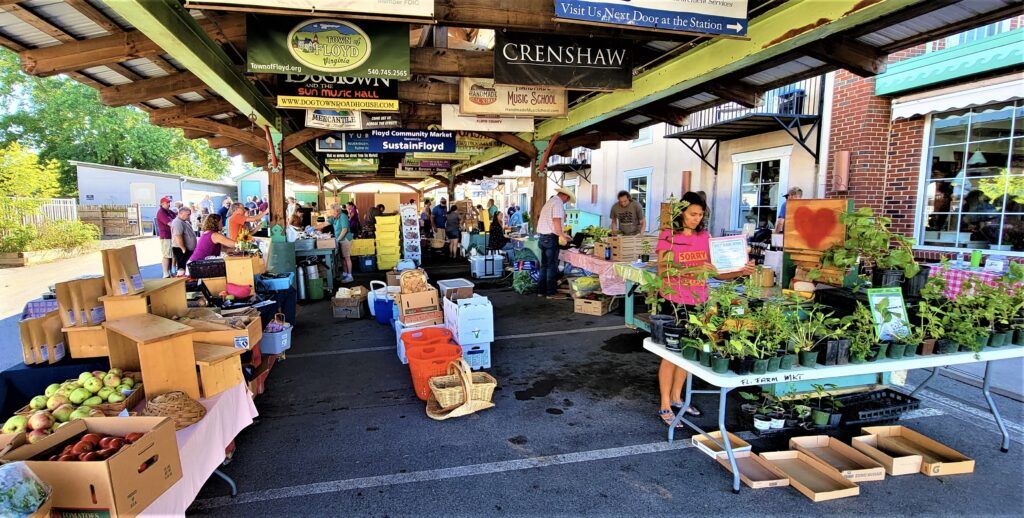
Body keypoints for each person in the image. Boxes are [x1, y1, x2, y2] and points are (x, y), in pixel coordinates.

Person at [654, 192, 755, 426]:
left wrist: (741, 271)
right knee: (670, 354)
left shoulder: (705, 237)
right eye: (692, 214)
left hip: (699, 300)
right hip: (674, 301)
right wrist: (693, 270)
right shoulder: (669, 236)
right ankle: (664, 405)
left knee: (689, 352)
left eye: (700, 215)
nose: (696, 219)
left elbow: (717, 272)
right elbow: (663, 272)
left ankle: (678, 398)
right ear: (681, 213)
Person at [536, 188, 574, 299]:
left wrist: (561, 233)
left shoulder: (550, 202)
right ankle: (550, 292)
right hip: (550, 238)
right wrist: (562, 235)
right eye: (567, 199)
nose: (566, 202)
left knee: (544, 265)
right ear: (565, 196)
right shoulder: (558, 203)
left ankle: (541, 291)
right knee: (551, 265)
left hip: (542, 237)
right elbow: (556, 221)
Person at [328, 203, 354, 283]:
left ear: (337, 211)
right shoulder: (334, 217)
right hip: (339, 239)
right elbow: (326, 223)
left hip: (345, 239)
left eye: (332, 212)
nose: (331, 214)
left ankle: (350, 276)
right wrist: (314, 227)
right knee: (342, 258)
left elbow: (344, 230)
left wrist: (337, 239)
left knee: (346, 257)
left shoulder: (343, 216)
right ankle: (345, 274)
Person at [170, 207, 197, 277]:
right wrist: (183, 248)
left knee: (183, 266)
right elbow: (178, 236)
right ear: (181, 213)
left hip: (186, 249)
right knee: (181, 267)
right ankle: (180, 281)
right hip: (180, 248)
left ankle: (183, 279)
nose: (189, 216)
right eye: (187, 214)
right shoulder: (177, 222)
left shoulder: (185, 221)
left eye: (189, 214)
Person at [156, 196, 177, 277]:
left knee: (172, 255)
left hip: (172, 236)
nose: (169, 204)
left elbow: (178, 217)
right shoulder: (161, 212)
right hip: (166, 237)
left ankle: (170, 272)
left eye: (169, 202)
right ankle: (165, 273)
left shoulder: (169, 211)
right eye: (167, 203)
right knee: (167, 255)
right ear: (162, 204)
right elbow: (170, 223)